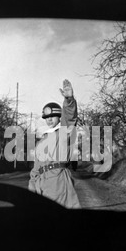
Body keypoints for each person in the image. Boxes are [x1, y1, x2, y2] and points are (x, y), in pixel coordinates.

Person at [28, 79, 81, 209]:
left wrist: (69, 100)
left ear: (59, 117)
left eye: (53, 116)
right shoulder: (41, 141)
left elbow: (70, 117)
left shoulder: (63, 132)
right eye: (47, 117)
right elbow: (36, 167)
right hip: (41, 182)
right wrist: (32, 185)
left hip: (58, 180)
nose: (49, 119)